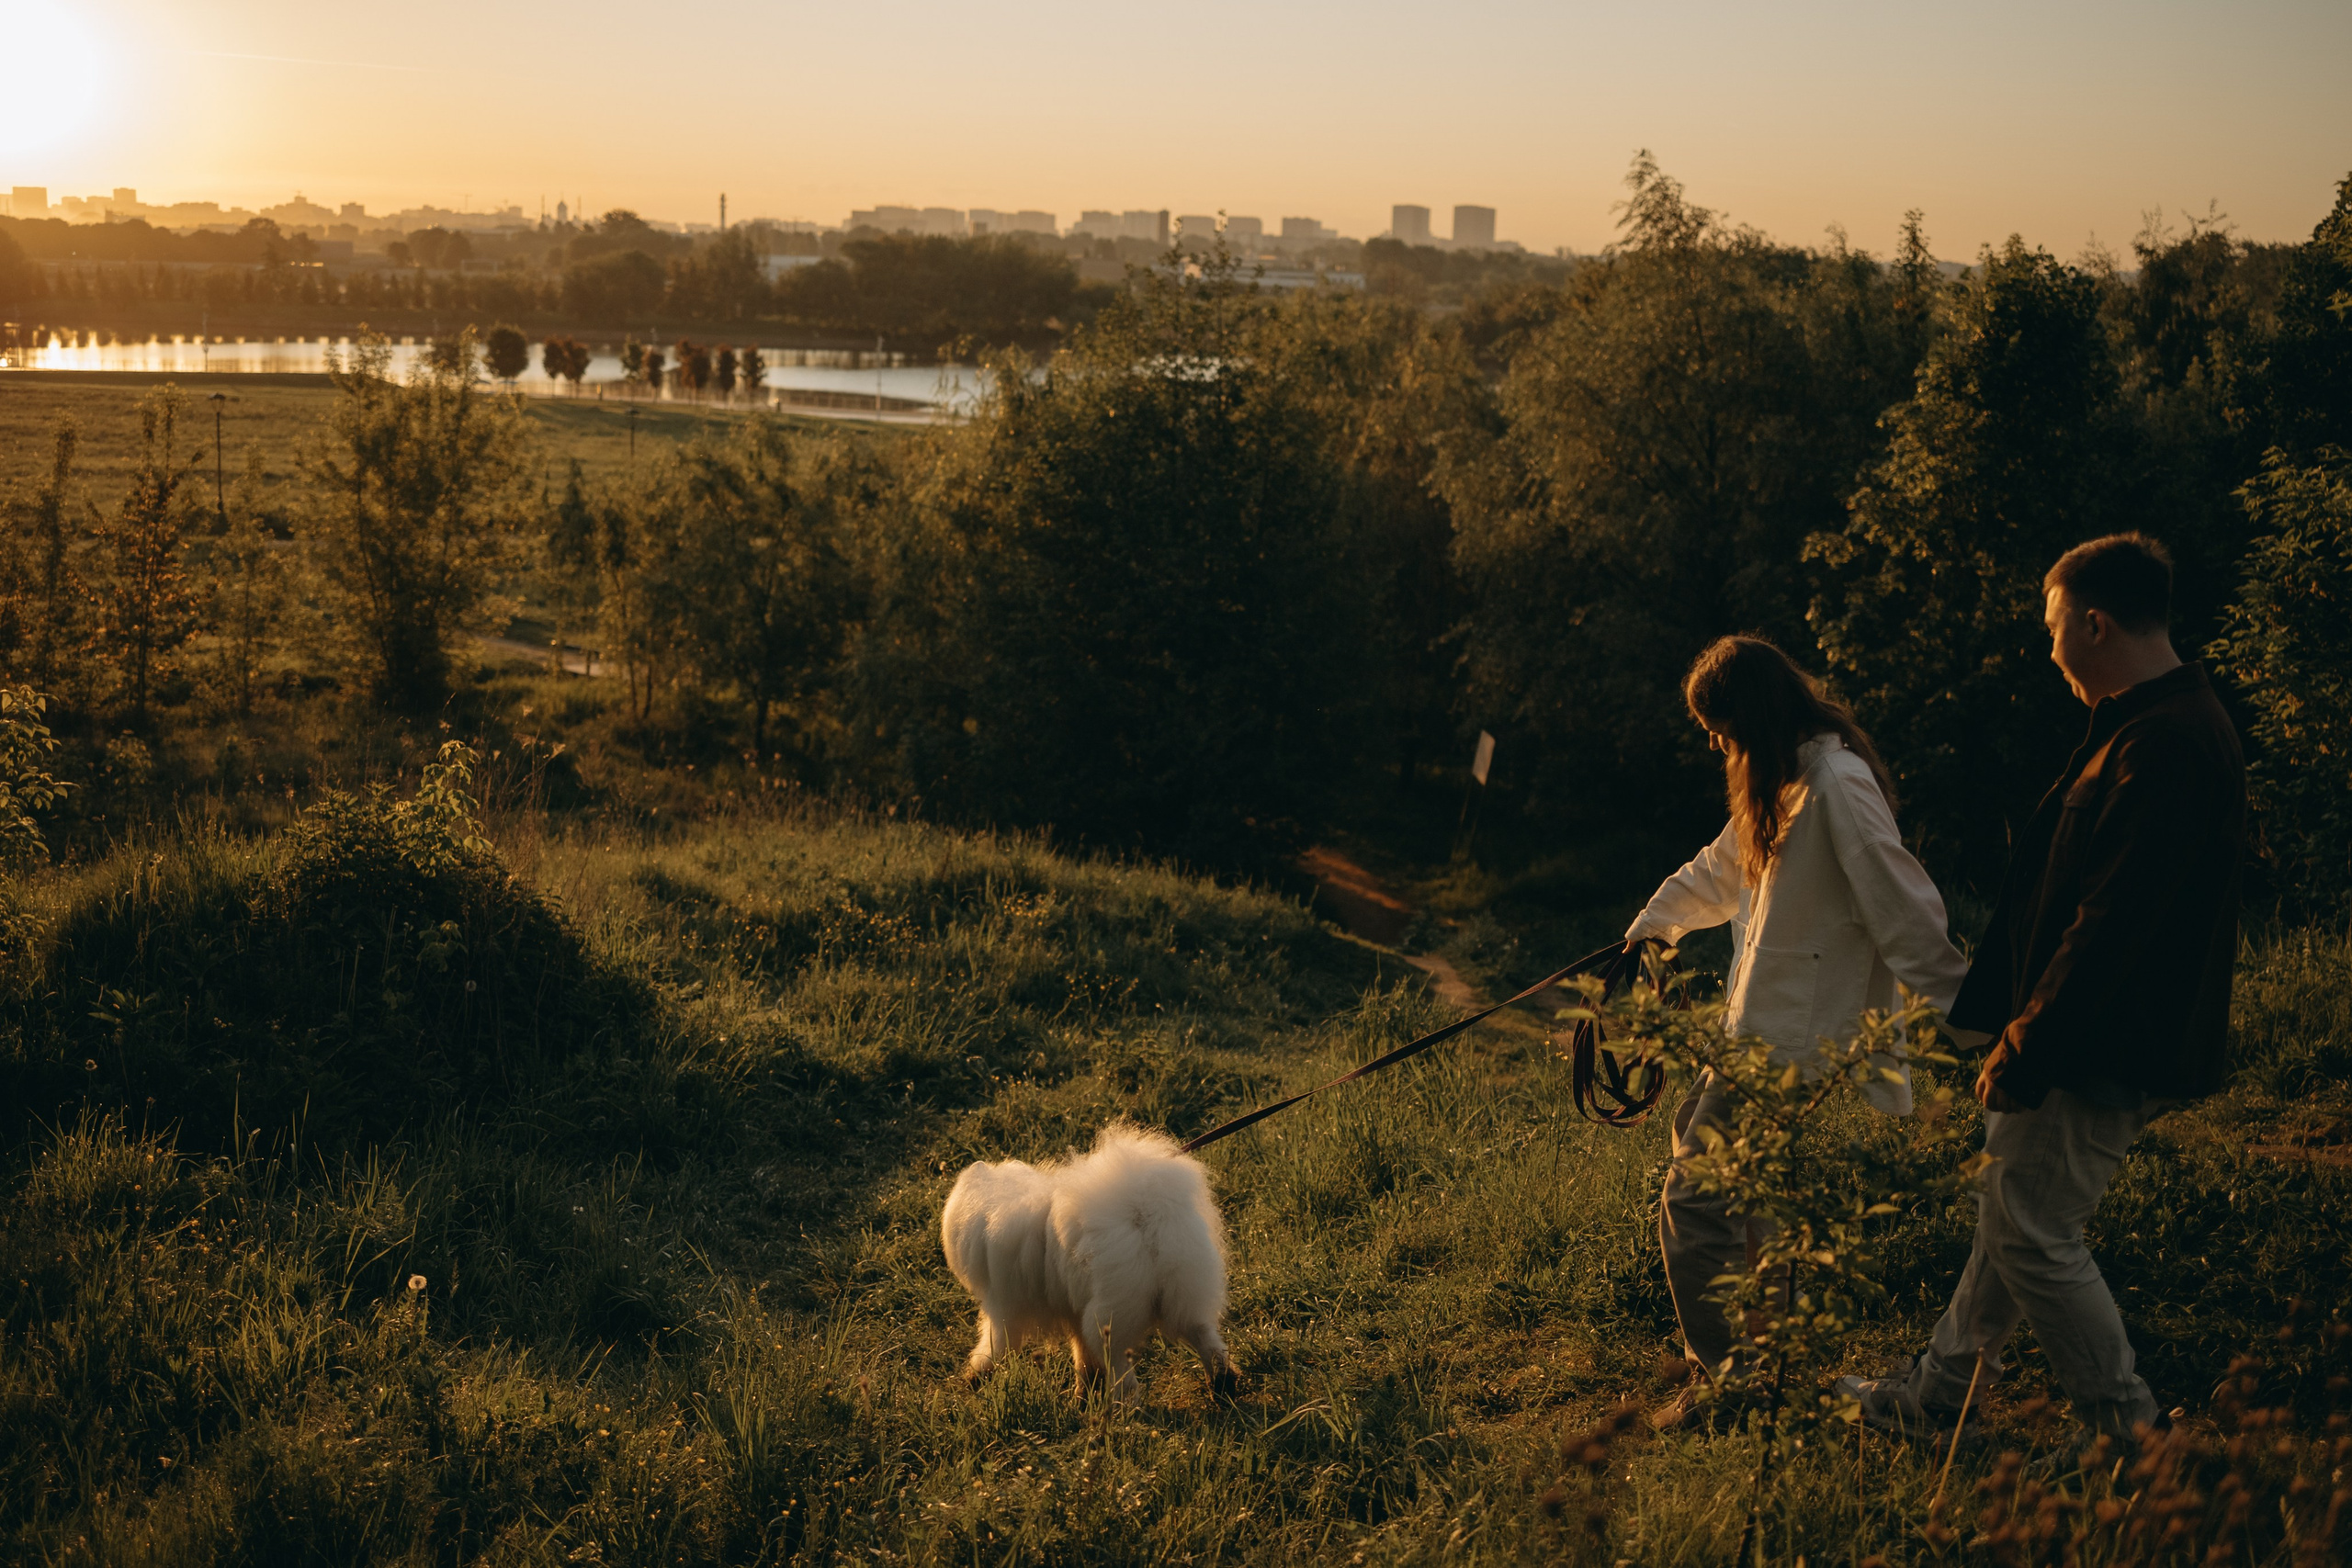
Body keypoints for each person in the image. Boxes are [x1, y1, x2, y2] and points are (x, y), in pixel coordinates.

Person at [1837, 533, 2245, 1461]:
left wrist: (2031, 1041)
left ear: (2095, 623)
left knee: (2033, 1234)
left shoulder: (2165, 744)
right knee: (2012, 1219)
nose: (2050, 648)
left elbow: (2113, 923)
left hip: (2095, 1041)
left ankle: (2130, 1435)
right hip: (2089, 1033)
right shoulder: (2148, 724)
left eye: (2053, 628)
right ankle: (1938, 1395)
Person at [1630, 636, 1970, 1430]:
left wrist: (1974, 1017)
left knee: (1693, 1204)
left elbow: (1903, 907)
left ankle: (1729, 1388)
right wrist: (1649, 931)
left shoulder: (1837, 784)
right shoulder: (1781, 782)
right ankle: (1763, 1366)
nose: (1714, 741)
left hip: (1796, 1041)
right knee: (1739, 1193)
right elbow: (1719, 870)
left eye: (1719, 725)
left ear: (1751, 711)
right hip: (1761, 1033)